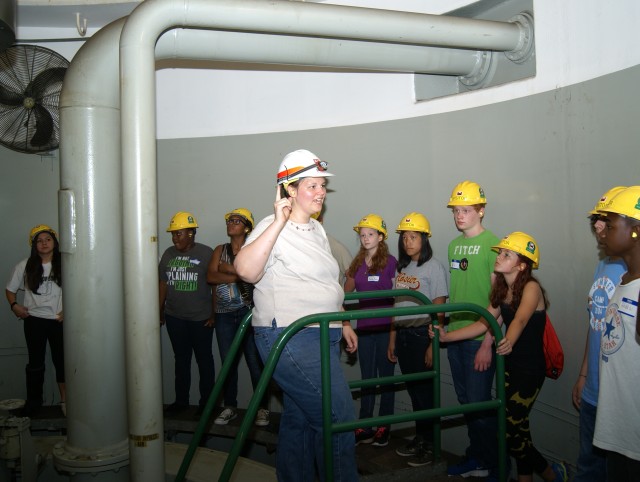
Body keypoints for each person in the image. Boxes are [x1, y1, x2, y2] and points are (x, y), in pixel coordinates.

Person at [234, 149, 359, 482]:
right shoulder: (270, 227)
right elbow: (245, 270)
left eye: (322, 186)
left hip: (323, 333)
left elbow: (324, 283)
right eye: (312, 185)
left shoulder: (316, 231)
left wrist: (342, 319)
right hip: (290, 336)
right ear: (289, 189)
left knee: (300, 419)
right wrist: (278, 221)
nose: (320, 192)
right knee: (339, 416)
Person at [431, 231, 568, 482]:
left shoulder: (531, 287)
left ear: (521, 264)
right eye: (500, 252)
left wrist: (508, 340)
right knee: (517, 428)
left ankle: (552, 473)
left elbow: (521, 318)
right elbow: (484, 322)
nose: (499, 256)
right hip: (510, 366)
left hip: (529, 369)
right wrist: (446, 336)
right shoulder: (503, 289)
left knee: (510, 428)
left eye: (506, 254)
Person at [444, 180, 500, 478]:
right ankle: (477, 456)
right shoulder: (454, 245)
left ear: (481, 210)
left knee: (479, 404)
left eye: (466, 210)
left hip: (478, 338)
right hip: (456, 335)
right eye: (456, 210)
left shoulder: (493, 245)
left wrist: (487, 342)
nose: (460, 216)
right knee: (467, 402)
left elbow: (499, 300)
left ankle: (493, 463)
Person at [572, 187, 627, 482]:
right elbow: (595, 325)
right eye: (596, 219)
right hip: (594, 389)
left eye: (605, 219)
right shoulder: (604, 265)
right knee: (589, 467)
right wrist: (583, 376)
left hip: (621, 398)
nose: (597, 226)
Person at [389, 212, 449, 468]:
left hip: (421, 336)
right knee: (414, 392)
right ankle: (420, 439)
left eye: (413, 237)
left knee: (425, 394)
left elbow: (439, 309)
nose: (408, 242)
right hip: (403, 336)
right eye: (405, 237)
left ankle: (430, 445)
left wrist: (431, 346)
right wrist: (392, 339)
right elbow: (395, 304)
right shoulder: (402, 268)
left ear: (424, 239)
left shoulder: (434, 267)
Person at [593, 185, 640, 482]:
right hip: (617, 427)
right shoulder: (623, 279)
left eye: (610, 226)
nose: (602, 233)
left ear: (635, 231)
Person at [207, 208, 269, 427]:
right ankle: (230, 407)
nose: (230, 223)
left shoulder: (254, 249)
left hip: (250, 314)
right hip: (224, 315)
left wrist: (227, 270)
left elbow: (257, 277)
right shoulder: (219, 249)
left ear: (246, 227)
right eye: (229, 220)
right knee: (228, 363)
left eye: (236, 220)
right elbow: (210, 276)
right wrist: (237, 273)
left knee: (255, 362)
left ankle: (261, 408)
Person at [345, 213, 397, 448]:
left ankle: (384, 427)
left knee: (386, 379)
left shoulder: (392, 262)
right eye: (363, 235)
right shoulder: (357, 264)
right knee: (367, 379)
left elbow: (399, 298)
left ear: (381, 236)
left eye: (370, 234)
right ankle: (365, 426)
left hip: (386, 328)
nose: (365, 238)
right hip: (364, 329)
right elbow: (344, 294)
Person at [6, 224, 66, 417]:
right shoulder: (25, 265)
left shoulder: (65, 263)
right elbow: (10, 290)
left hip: (59, 321)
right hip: (34, 321)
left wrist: (69, 311)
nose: (44, 243)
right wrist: (14, 306)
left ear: (54, 242)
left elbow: (79, 289)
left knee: (62, 361)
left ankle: (65, 401)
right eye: (39, 241)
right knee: (35, 363)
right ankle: (34, 403)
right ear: (34, 245)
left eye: (47, 239)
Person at [159, 211, 215, 416]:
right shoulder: (168, 254)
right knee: (181, 360)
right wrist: (159, 310)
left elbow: (215, 284)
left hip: (201, 318)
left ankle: (206, 404)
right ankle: (181, 401)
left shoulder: (206, 253)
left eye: (179, 234)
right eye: (173, 234)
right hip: (175, 317)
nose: (175, 238)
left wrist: (213, 313)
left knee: (204, 360)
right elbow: (163, 284)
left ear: (191, 233)